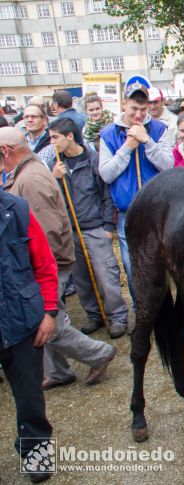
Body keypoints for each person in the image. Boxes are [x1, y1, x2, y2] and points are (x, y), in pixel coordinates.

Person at [1, 127, 117, 390]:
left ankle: (98, 353)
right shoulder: (27, 172)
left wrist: (39, 271)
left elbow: (47, 230)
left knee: (47, 321)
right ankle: (58, 371)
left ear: (5, 151)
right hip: (48, 261)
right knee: (41, 319)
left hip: (49, 263)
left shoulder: (30, 180)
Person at [48, 118, 129, 338]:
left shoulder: (93, 160)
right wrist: (55, 180)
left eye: (55, 137)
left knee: (106, 275)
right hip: (70, 230)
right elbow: (52, 199)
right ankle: (95, 315)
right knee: (82, 278)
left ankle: (118, 317)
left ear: (70, 136)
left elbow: (106, 194)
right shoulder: (55, 165)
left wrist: (107, 225)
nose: (52, 142)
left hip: (94, 228)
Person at [98, 81, 175, 307]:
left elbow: (168, 166)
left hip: (158, 212)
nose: (139, 114)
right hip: (127, 213)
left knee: (162, 264)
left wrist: (147, 141)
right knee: (133, 267)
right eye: (134, 109)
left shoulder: (159, 129)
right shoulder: (108, 134)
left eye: (143, 109)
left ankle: (163, 311)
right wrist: (128, 146)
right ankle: (142, 309)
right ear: (124, 104)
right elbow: (106, 174)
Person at [0, 189, 57, 484]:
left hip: (21, 319)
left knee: (30, 398)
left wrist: (49, 311)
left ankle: (35, 452)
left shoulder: (18, 211)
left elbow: (45, 265)